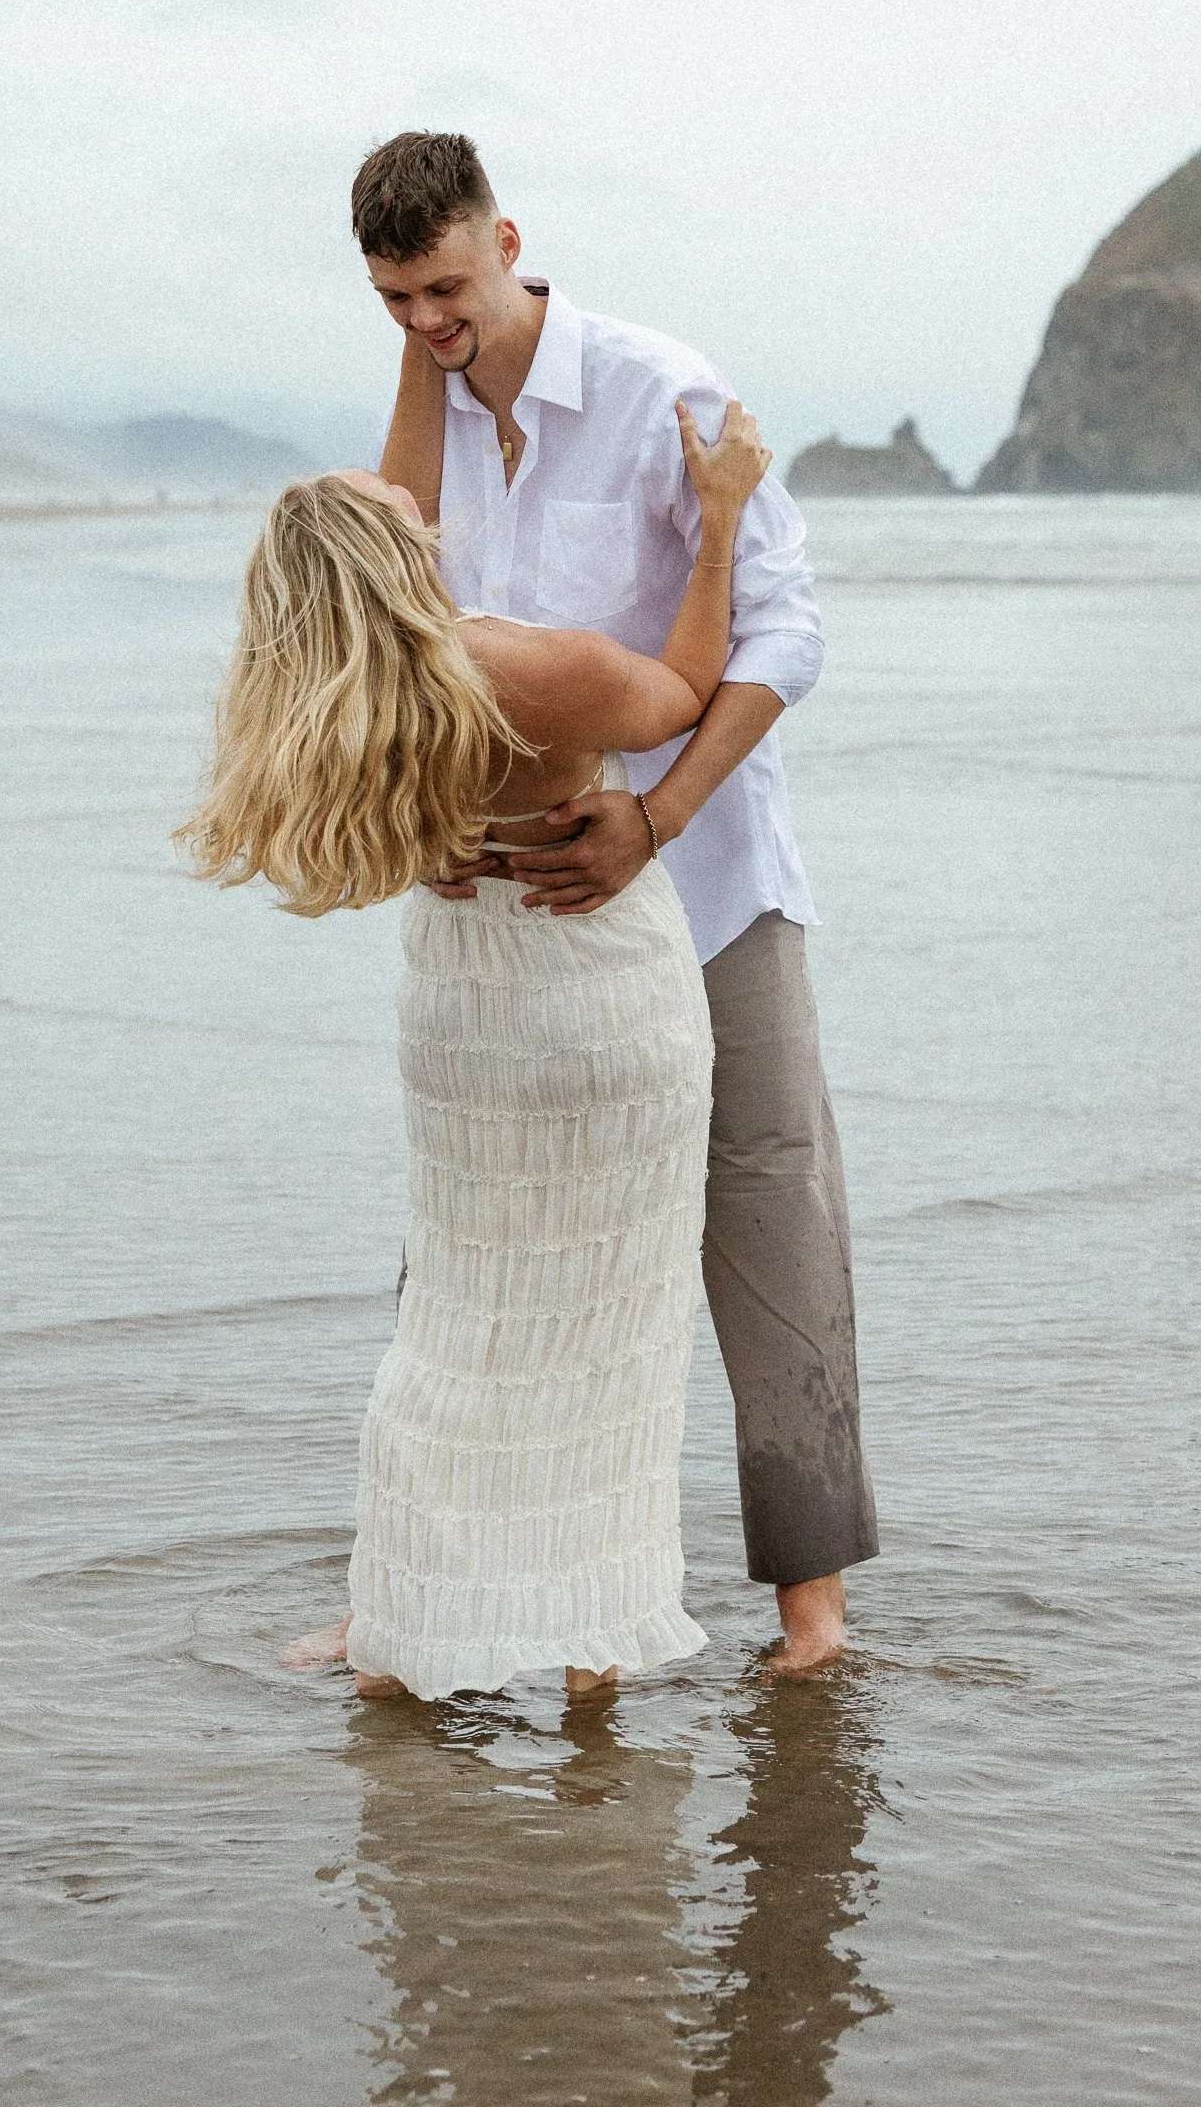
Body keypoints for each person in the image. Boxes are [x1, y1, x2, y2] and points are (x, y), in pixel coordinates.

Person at [351, 128, 878, 1673]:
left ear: (508, 241)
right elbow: (403, 650)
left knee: (768, 1221)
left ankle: (812, 1615)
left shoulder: (663, 391)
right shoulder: (422, 413)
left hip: (699, 887)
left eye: (445, 290)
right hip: (504, 920)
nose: (429, 327)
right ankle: (420, 1601)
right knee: (469, 1244)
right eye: (394, 303)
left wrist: (654, 819)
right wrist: (428, 812)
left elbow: (786, 632)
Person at [179, 400, 773, 1702]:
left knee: (456, 1328)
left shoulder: (352, 709)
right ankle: (588, 1666)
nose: (423, 498)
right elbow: (682, 691)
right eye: (401, 506)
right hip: (596, 1002)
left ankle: (403, 1639)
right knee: (611, 1328)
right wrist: (717, 522)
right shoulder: (523, 667)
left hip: (460, 1020)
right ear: (392, 557)